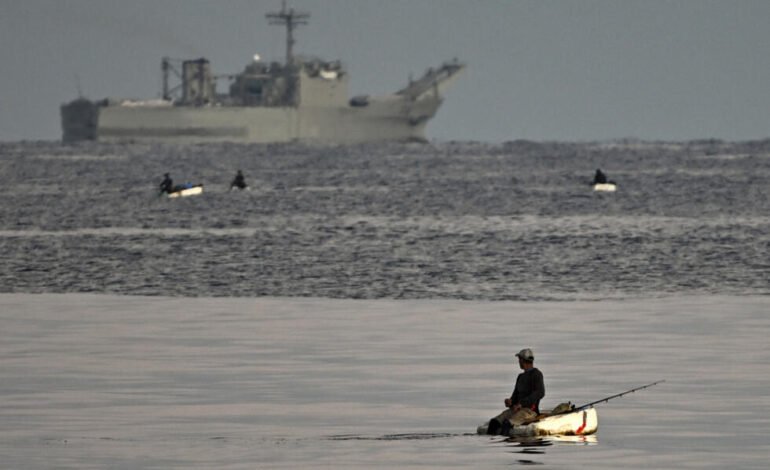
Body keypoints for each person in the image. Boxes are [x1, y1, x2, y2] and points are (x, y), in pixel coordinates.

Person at [486, 348, 545, 435]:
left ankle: (505, 445)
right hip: (516, 410)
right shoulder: (520, 377)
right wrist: (510, 402)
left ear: (523, 360)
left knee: (507, 424)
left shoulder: (536, 374)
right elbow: (515, 396)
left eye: (519, 359)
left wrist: (521, 404)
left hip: (529, 411)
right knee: (494, 423)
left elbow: (540, 393)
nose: (519, 362)